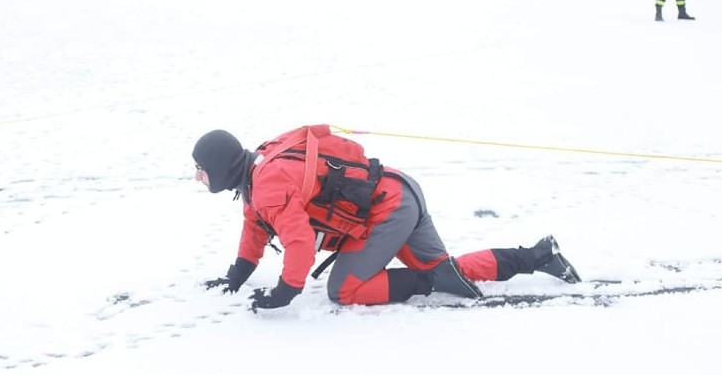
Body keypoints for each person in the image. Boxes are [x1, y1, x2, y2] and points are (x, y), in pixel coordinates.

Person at [193, 125, 580, 311]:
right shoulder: (261, 171)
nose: (198, 176)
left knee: (343, 290)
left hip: (388, 210)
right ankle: (538, 256)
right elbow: (254, 227)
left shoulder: (268, 184)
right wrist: (236, 276)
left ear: (221, 167)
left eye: (200, 168)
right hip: (400, 190)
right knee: (446, 269)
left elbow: (297, 245)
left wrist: (285, 293)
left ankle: (431, 280)